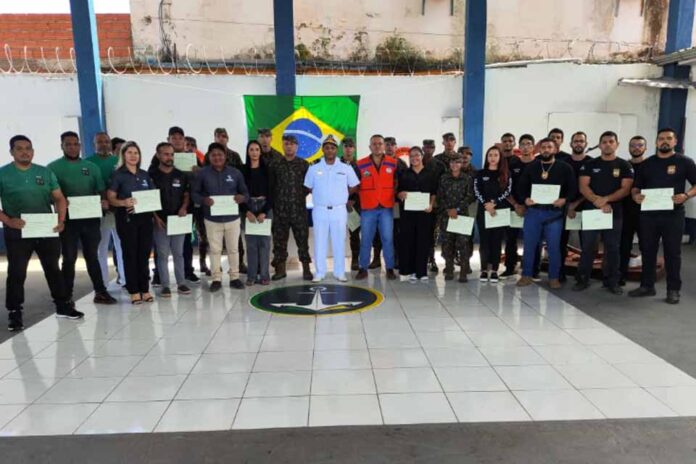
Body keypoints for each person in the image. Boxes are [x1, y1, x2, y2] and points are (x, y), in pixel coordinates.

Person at [0, 135, 84, 331]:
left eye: (28, 148)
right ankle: (14, 312)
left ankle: (63, 306)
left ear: (33, 151)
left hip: (46, 229)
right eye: (19, 148)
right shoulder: (3, 174)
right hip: (18, 231)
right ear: (11, 152)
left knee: (53, 269)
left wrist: (61, 220)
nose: (25, 152)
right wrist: (8, 220)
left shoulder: (44, 172)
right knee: (17, 272)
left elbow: (59, 198)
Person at [629, 128, 696, 304]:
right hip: (648, 216)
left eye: (668, 138)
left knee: (672, 252)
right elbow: (636, 187)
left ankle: (673, 290)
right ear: (656, 142)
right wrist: (635, 196)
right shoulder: (647, 164)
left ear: (675, 142)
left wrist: (686, 195)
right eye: (661, 138)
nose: (664, 141)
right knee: (647, 250)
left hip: (673, 215)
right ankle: (647, 286)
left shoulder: (685, 162)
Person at [48, 131, 116, 304]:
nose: (72, 147)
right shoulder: (53, 168)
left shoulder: (91, 167)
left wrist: (103, 201)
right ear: (62, 146)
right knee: (69, 258)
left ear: (80, 145)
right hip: (68, 220)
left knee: (92, 256)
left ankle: (100, 292)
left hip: (90, 219)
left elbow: (100, 190)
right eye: (68, 144)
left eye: (75, 144)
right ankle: (66, 296)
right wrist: (62, 203)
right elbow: (50, 195)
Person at [574, 131, 633, 294]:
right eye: (604, 142)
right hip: (592, 211)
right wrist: (597, 201)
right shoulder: (589, 164)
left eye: (611, 142)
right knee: (588, 246)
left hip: (614, 212)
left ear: (617, 144)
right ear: (599, 145)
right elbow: (583, 187)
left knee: (612, 247)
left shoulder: (624, 165)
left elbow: (626, 189)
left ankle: (611, 281)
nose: (607, 144)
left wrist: (605, 200)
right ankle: (582, 279)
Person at [516, 138, 577, 289]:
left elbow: (573, 189)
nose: (546, 150)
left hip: (554, 214)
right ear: (539, 149)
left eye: (549, 147)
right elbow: (521, 187)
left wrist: (564, 200)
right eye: (543, 147)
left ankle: (553, 277)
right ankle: (526, 275)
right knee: (529, 246)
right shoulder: (531, 167)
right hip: (533, 212)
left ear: (555, 149)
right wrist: (525, 199)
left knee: (554, 247)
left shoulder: (565, 167)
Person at [192, 143, 249, 291]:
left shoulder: (235, 173)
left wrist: (242, 198)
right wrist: (203, 200)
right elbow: (194, 194)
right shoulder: (202, 173)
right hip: (212, 219)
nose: (217, 157)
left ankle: (234, 277)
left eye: (220, 154)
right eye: (214, 155)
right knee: (215, 250)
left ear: (225, 156)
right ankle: (216, 279)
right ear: (209, 157)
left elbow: (245, 193)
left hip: (232, 219)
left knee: (233, 249)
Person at [304, 135, 360, 282]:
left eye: (333, 148)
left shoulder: (345, 167)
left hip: (339, 210)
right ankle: (320, 272)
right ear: (323, 150)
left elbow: (354, 185)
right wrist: (321, 195)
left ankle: (339, 272)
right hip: (320, 209)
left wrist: (342, 195)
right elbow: (308, 187)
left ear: (337, 150)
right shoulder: (314, 167)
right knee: (319, 241)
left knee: (339, 241)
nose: (330, 150)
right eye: (327, 148)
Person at [107, 141, 156, 305]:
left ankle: (145, 289)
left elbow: (152, 196)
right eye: (130, 152)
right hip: (127, 219)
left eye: (136, 153)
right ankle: (134, 290)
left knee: (144, 254)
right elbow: (111, 198)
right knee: (130, 254)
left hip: (145, 218)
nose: (133, 156)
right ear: (123, 155)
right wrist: (123, 202)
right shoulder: (118, 175)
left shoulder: (144, 174)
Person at [268, 134, 313, 281]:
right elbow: (271, 186)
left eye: (292, 144)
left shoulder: (304, 164)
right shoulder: (275, 164)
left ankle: (306, 269)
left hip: (298, 210)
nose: (289, 146)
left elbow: (308, 185)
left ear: (297, 147)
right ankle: (280, 270)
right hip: (280, 211)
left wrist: (298, 195)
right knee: (279, 242)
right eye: (286, 144)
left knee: (302, 241)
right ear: (282, 145)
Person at [150, 142, 192, 297]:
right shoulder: (151, 175)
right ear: (158, 155)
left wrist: (184, 208)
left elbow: (186, 195)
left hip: (177, 220)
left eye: (172, 154)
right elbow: (148, 199)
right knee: (162, 254)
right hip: (160, 221)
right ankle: (165, 285)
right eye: (166, 154)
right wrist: (155, 217)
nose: (169, 157)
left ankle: (181, 283)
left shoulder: (180, 175)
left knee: (178, 253)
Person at [355, 134, 398, 280]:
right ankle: (363, 268)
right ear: (370, 146)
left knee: (387, 238)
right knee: (366, 239)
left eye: (380, 143)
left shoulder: (393, 163)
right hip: (368, 208)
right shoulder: (360, 164)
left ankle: (390, 268)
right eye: (374, 144)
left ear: (384, 146)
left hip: (386, 207)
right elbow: (354, 185)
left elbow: (399, 182)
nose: (377, 146)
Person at [87, 131, 125, 287]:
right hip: (98, 211)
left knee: (121, 245)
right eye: (100, 142)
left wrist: (116, 203)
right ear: (94, 145)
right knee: (101, 247)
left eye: (106, 142)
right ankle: (102, 283)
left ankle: (124, 279)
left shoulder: (119, 161)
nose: (103, 144)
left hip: (118, 209)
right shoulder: (88, 163)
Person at [396, 146, 437, 281]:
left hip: (425, 213)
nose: (414, 158)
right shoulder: (404, 173)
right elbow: (398, 192)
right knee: (409, 241)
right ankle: (411, 271)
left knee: (423, 241)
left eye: (417, 155)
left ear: (422, 156)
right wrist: (401, 194)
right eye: (412, 156)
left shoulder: (430, 173)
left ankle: (421, 271)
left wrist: (431, 205)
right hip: (408, 214)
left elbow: (434, 193)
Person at [560, 131, 594, 282]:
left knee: (587, 245)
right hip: (564, 208)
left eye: (581, 141)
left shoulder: (592, 163)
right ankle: (559, 273)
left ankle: (583, 276)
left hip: (586, 208)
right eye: (576, 141)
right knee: (560, 242)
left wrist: (575, 204)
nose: (578, 143)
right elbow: (559, 186)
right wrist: (568, 205)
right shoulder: (563, 163)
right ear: (571, 144)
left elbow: (593, 187)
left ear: (586, 144)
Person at [474, 146, 512, 283]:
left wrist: (494, 203)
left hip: (499, 211)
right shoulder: (480, 173)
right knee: (484, 241)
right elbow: (477, 190)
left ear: (500, 157)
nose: (493, 158)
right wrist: (486, 204)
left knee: (497, 241)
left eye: (496, 155)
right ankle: (484, 270)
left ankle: (495, 270)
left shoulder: (506, 174)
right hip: (483, 211)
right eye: (490, 155)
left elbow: (507, 191)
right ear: (487, 157)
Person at [437, 152, 475, 282]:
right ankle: (449, 269)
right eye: (452, 162)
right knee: (448, 244)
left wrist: (457, 209)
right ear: (449, 164)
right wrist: (448, 210)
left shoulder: (467, 178)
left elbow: (470, 196)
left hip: (462, 216)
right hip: (446, 216)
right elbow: (440, 196)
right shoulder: (443, 178)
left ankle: (463, 271)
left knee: (463, 244)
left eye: (458, 162)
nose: (455, 164)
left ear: (461, 163)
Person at [214, 127, 246, 274]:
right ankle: (216, 266)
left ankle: (239, 264)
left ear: (227, 138)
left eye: (224, 136)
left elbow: (241, 177)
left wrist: (240, 196)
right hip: (215, 205)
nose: (221, 138)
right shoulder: (210, 155)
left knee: (235, 238)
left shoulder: (235, 155)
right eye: (218, 136)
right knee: (215, 239)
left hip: (232, 203)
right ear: (215, 138)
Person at [502, 134, 534, 277]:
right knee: (510, 239)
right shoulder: (512, 165)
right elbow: (504, 187)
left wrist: (529, 205)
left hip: (533, 208)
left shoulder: (539, 165)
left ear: (533, 147)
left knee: (532, 239)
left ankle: (532, 269)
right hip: (513, 207)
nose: (526, 147)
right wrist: (516, 205)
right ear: (519, 147)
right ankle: (510, 267)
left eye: (528, 144)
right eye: (523, 144)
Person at [241, 141, 273, 286]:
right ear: (248, 152)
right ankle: (252, 276)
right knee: (251, 245)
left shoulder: (267, 169)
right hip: (248, 208)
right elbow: (239, 193)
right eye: (251, 150)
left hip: (265, 207)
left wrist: (264, 212)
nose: (254, 152)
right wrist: (246, 211)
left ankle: (265, 275)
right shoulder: (242, 170)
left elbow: (272, 193)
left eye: (257, 149)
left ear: (260, 152)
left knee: (264, 244)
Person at [619, 135, 648, 284]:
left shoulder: (651, 165)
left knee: (646, 246)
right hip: (625, 212)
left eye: (640, 145)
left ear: (645, 148)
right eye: (633, 145)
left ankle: (647, 279)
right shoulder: (623, 165)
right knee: (624, 246)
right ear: (628, 148)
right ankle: (621, 276)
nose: (636, 148)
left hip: (646, 214)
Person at [186, 135, 210, 276]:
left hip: (199, 206)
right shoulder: (176, 163)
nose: (189, 148)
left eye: (192, 146)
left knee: (203, 236)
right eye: (187, 145)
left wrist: (199, 171)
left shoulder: (201, 163)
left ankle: (202, 263)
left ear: (195, 148)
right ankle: (187, 267)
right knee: (185, 238)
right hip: (184, 206)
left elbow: (207, 180)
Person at [342, 137, 362, 270]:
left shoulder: (360, 165)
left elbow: (362, 183)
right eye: (346, 146)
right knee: (338, 234)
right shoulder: (335, 164)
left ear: (354, 149)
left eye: (351, 146)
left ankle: (356, 259)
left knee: (355, 233)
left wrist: (352, 199)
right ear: (342, 148)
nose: (348, 149)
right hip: (339, 204)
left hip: (355, 204)